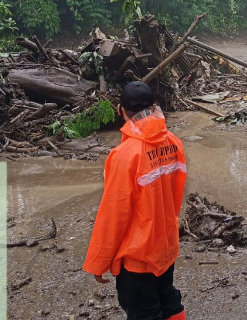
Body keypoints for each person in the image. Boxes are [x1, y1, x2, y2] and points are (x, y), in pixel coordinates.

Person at [83, 81, 187, 320]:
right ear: (153, 108)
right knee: (167, 298)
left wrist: (99, 262)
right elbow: (175, 195)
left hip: (138, 256)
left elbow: (114, 213)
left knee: (143, 311)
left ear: (121, 110)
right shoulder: (174, 143)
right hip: (166, 245)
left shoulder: (124, 155)